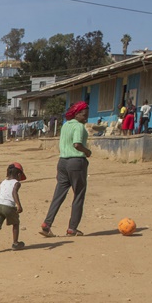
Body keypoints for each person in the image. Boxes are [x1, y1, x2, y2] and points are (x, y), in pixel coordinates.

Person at [41, 101, 92, 238]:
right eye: (84, 115)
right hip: (76, 162)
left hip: (62, 162)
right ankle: (72, 228)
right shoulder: (79, 127)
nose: (86, 118)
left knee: (58, 195)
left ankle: (47, 224)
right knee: (79, 195)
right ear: (77, 113)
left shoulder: (65, 125)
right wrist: (87, 152)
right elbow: (77, 144)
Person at [0, 162, 26, 254]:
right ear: (19, 174)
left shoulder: (3, 182)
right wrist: (18, 205)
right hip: (9, 206)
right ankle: (15, 243)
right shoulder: (16, 183)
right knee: (15, 223)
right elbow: (14, 193)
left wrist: (0, 202)